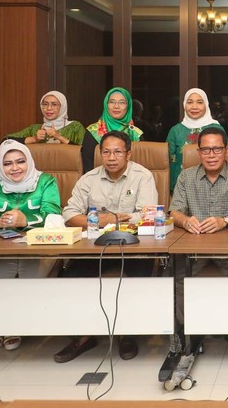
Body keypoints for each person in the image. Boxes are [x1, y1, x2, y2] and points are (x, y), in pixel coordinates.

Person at [54, 131, 158, 363]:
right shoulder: (89, 179)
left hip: (134, 246)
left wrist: (119, 220)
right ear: (100, 154)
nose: (111, 158)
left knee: (140, 280)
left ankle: (127, 334)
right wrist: (103, 221)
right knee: (71, 278)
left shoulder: (143, 176)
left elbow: (148, 214)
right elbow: (69, 214)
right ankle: (84, 335)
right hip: (95, 246)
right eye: (106, 152)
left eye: (117, 152)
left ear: (128, 154)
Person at [0, 139, 61, 351]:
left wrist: (24, 220)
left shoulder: (45, 182)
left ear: (29, 162)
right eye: (8, 163)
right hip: (0, 247)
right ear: (1, 165)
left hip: (36, 247)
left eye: (20, 161)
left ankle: (15, 326)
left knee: (28, 279)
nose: (15, 168)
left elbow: (54, 214)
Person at [169, 126, 228, 325]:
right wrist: (184, 221)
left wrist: (225, 221)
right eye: (205, 150)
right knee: (174, 279)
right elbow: (174, 211)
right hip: (194, 249)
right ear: (198, 152)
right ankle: (188, 332)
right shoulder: (186, 176)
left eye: (217, 149)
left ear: (226, 150)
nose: (211, 155)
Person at [167, 88, 221, 192]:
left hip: (214, 188)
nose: (194, 107)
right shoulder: (175, 131)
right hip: (182, 188)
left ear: (206, 104)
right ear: (184, 105)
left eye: (200, 102)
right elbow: (170, 162)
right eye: (190, 102)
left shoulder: (216, 129)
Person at [81, 87, 143, 173]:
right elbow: (88, 167)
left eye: (122, 102)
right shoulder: (93, 132)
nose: (116, 106)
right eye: (112, 102)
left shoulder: (136, 134)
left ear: (128, 106)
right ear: (106, 105)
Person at [5, 91, 86, 145]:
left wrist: (59, 137)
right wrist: (34, 139)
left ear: (63, 107)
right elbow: (6, 140)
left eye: (54, 104)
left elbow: (85, 152)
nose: (49, 108)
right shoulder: (35, 129)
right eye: (45, 104)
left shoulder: (75, 127)